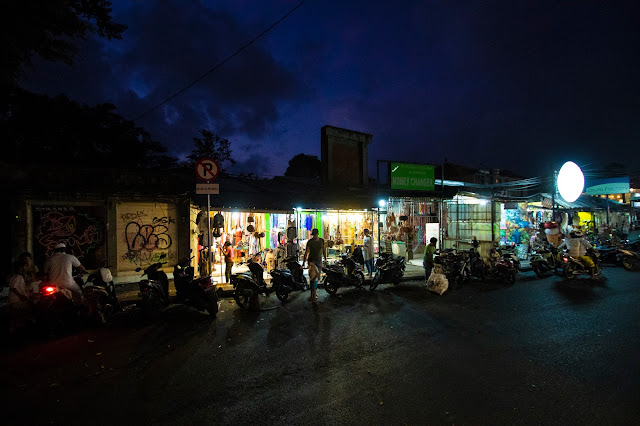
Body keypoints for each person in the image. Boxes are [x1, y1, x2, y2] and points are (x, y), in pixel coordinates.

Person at [8, 256, 36, 334]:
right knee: (33, 306)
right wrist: (22, 296)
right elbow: (13, 288)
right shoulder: (18, 277)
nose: (24, 269)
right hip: (17, 302)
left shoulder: (15, 277)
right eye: (23, 267)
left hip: (15, 302)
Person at [302, 228, 326, 301]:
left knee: (316, 278)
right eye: (313, 235)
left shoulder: (322, 241)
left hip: (319, 261)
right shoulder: (310, 242)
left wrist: (325, 259)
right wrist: (303, 262)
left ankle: (313, 293)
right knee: (313, 278)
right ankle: (313, 295)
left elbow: (324, 250)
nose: (314, 236)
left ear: (317, 234)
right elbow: (306, 252)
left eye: (315, 235)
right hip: (312, 262)